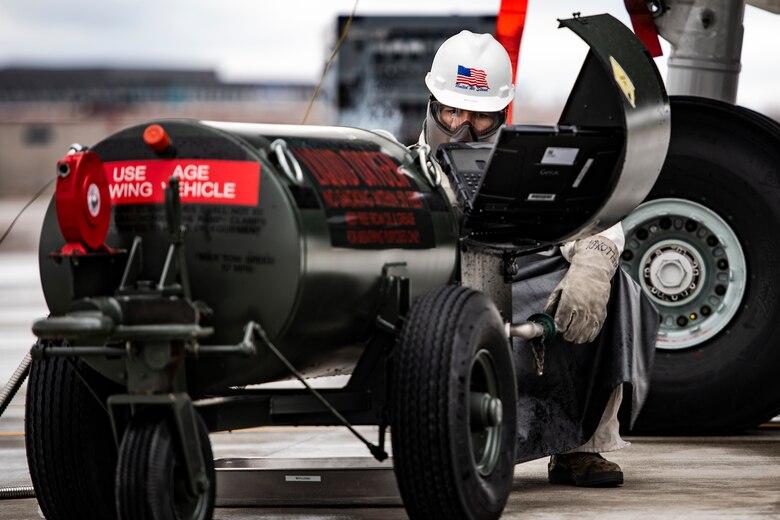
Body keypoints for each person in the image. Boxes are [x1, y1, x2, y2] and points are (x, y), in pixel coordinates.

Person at [418, 30, 658, 487]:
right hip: (437, 321)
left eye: (481, 118)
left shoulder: (524, 170)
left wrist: (592, 266)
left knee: (616, 284)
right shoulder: (404, 174)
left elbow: (592, 216)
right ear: (432, 105)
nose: (463, 129)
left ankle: (578, 448)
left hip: (518, 314)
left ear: (503, 115)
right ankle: (443, 438)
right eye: (452, 112)